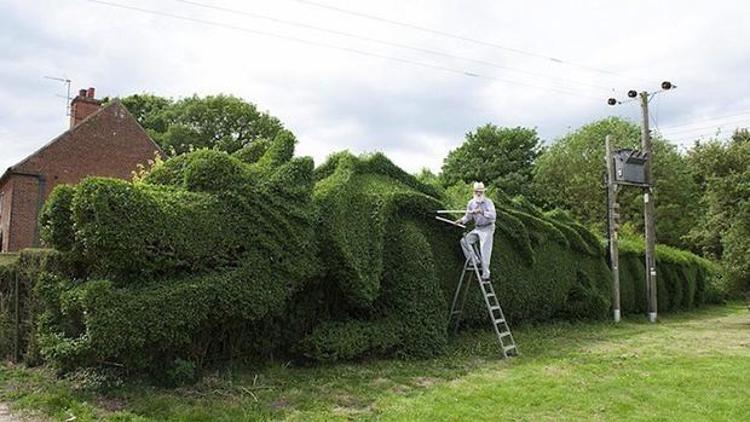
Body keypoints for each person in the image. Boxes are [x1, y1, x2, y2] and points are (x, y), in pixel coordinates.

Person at [454, 182, 496, 280]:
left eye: (480, 192)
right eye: (477, 192)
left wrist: (481, 211)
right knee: (464, 241)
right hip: (478, 228)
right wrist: (461, 220)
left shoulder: (488, 202)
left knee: (484, 250)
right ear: (474, 192)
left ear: (483, 192)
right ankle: (474, 261)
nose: (478, 194)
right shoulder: (471, 203)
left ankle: (486, 275)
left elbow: (493, 216)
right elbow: (467, 216)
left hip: (488, 228)